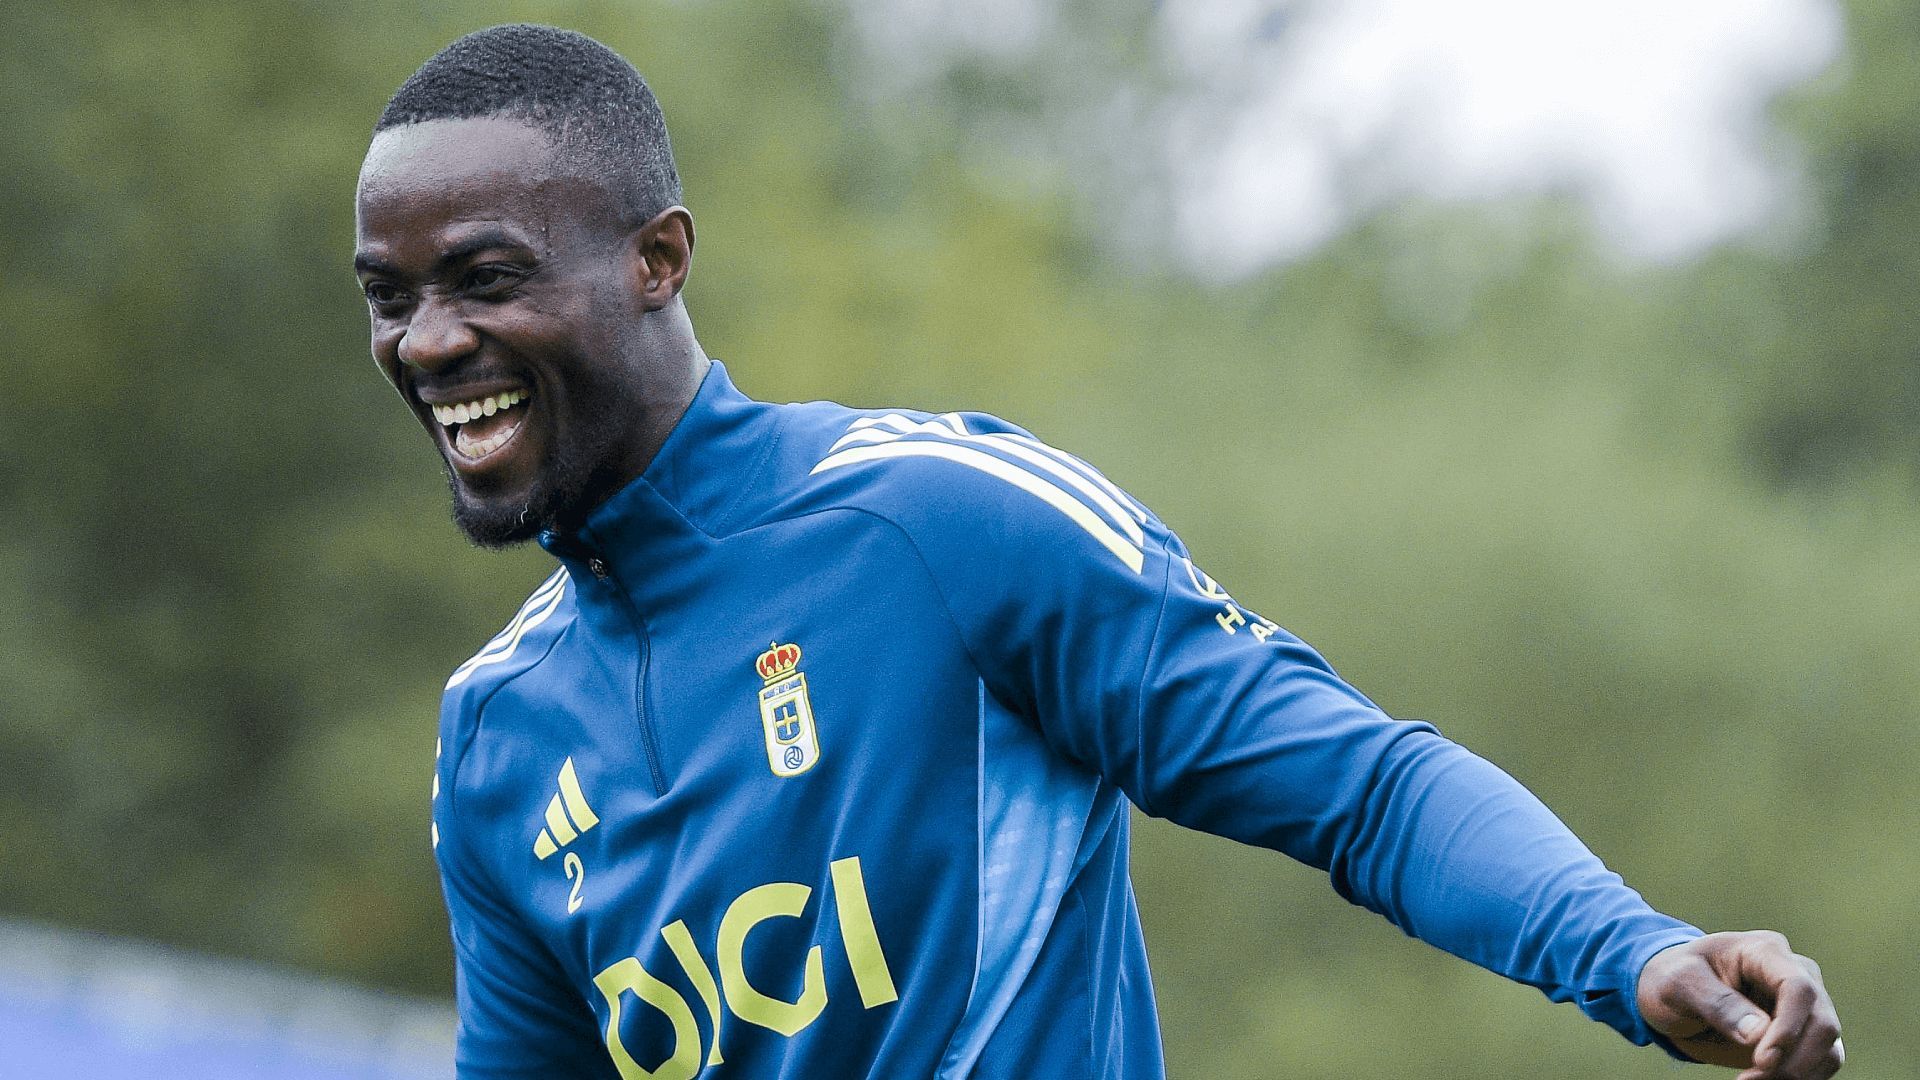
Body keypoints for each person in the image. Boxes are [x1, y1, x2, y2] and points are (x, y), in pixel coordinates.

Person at [353, 24, 1844, 1080]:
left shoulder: (937, 521)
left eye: (485, 279)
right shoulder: (496, 736)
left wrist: (1628, 950)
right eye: (390, 296)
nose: (427, 343)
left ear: (658, 259)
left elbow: (1364, 788)